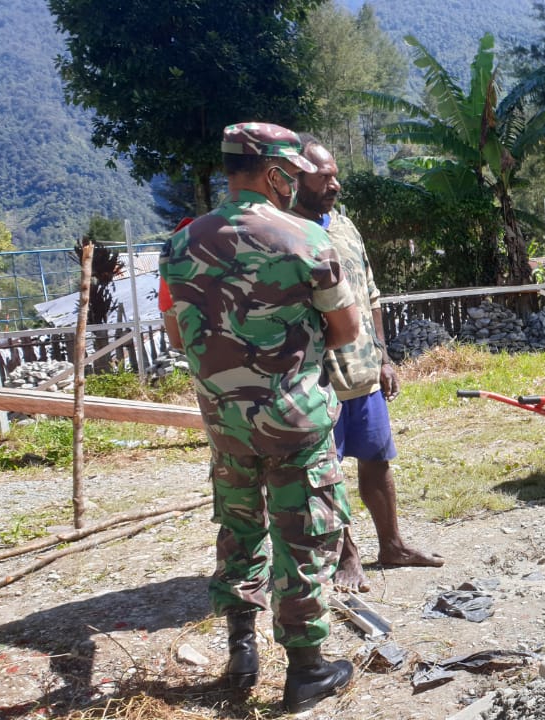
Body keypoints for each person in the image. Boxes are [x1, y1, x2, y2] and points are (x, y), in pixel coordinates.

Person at [160, 122, 360, 712]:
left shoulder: (179, 244)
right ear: (275, 173)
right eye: (292, 175)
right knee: (303, 537)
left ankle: (241, 650)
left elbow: (178, 335)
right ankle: (306, 671)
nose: (295, 184)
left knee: (240, 529)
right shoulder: (306, 240)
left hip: (225, 422)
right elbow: (346, 330)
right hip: (293, 420)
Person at [291, 135, 444, 592]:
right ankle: (346, 556)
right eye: (324, 176)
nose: (335, 183)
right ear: (296, 179)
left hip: (363, 371)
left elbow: (370, 293)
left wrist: (383, 355)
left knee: (377, 460)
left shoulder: (344, 226)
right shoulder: (287, 235)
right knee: (327, 471)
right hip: (319, 378)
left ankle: (392, 545)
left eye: (335, 174)